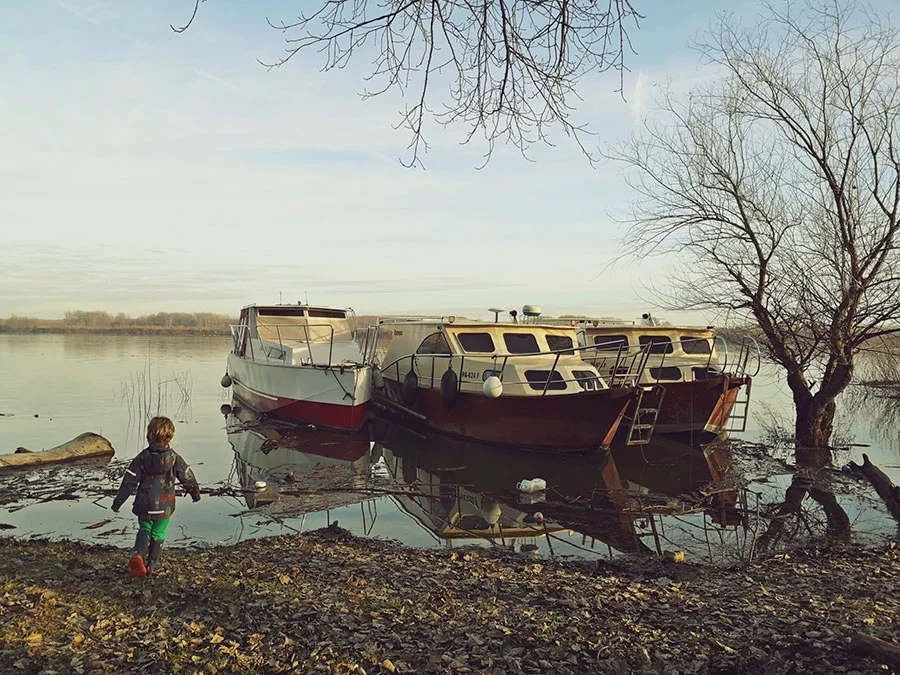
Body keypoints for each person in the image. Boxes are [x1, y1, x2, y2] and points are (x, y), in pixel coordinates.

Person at [112, 416, 201, 577]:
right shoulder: (174, 458)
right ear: (170, 436)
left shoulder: (142, 458)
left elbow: (129, 481)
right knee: (159, 532)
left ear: (149, 435)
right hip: (165, 506)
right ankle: (153, 564)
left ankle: (138, 554)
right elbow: (187, 477)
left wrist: (118, 502)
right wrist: (195, 493)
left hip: (144, 503)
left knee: (145, 527)